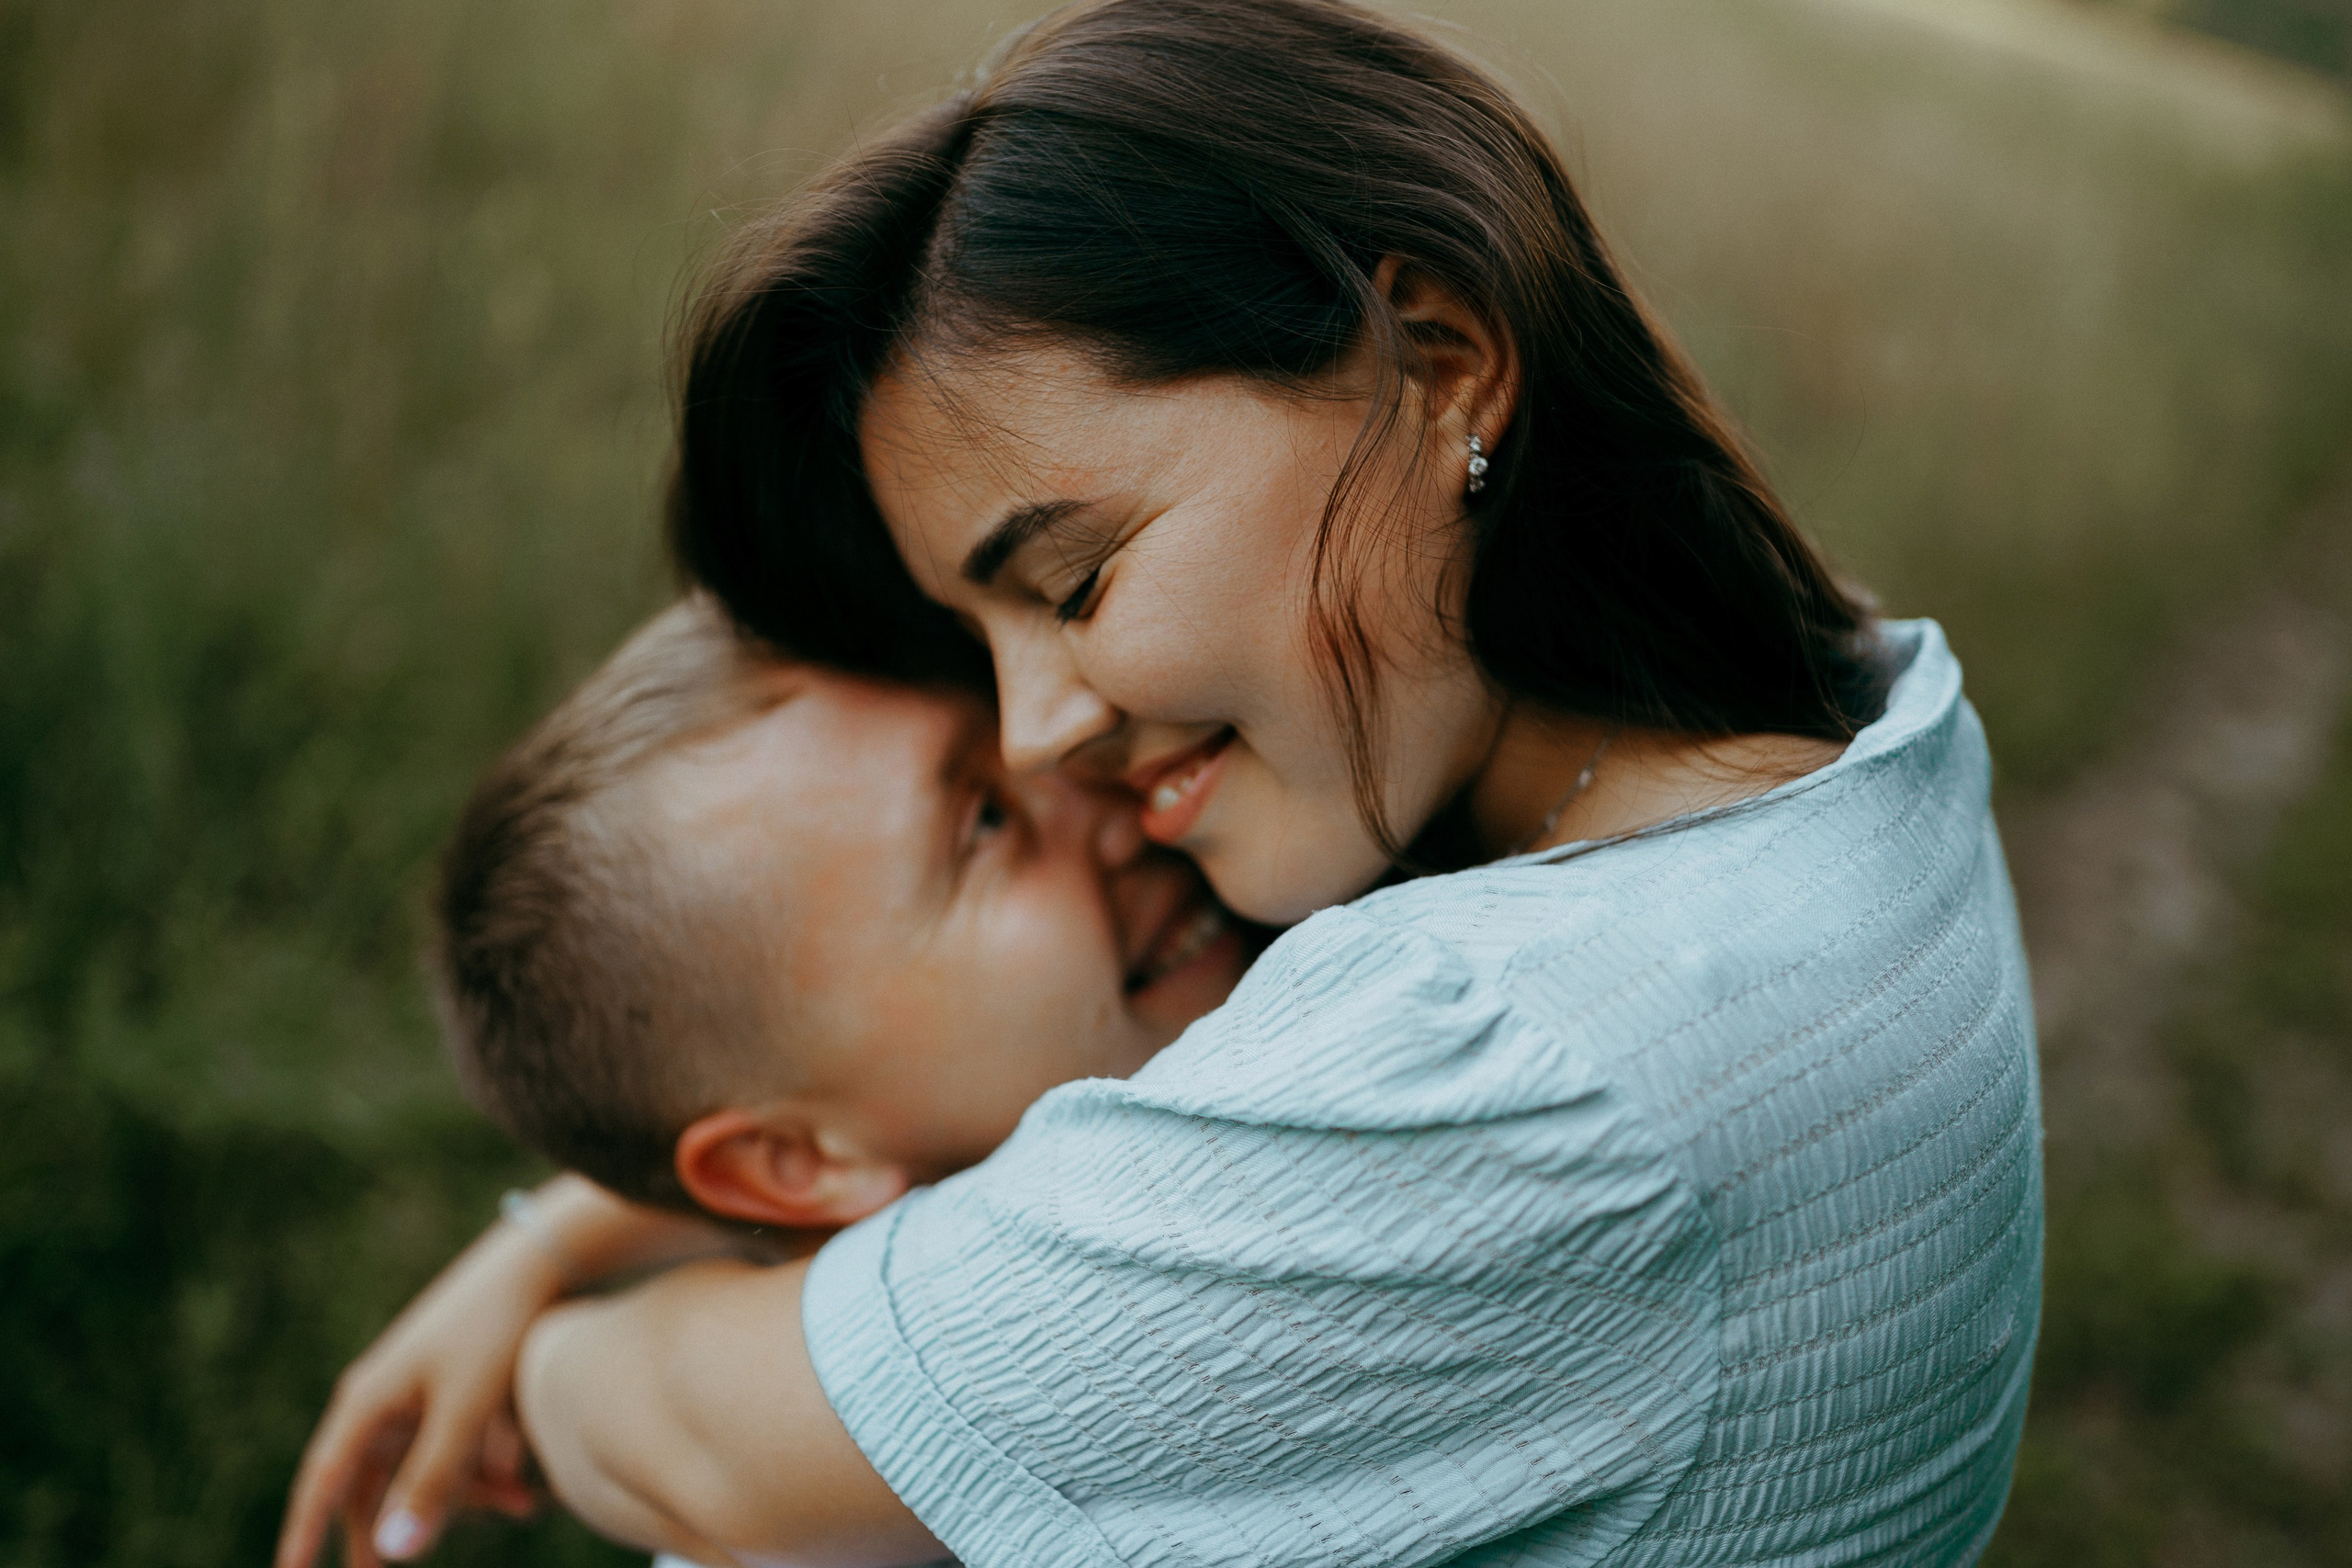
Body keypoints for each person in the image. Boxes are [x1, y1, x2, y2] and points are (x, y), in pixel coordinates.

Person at [507, 0, 2044, 1564]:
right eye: (977, 645)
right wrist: (580, 1218)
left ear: (1437, 365)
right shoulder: (1837, 734)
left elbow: (720, 1458)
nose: (1037, 734)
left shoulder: (1504, 1065)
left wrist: (535, 1335)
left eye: (1077, 578)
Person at [274, 596, 1250, 1568]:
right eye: (985, 822)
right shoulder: (1107, 1270)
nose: (1112, 791)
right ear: (792, 1159)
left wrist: (545, 1308)